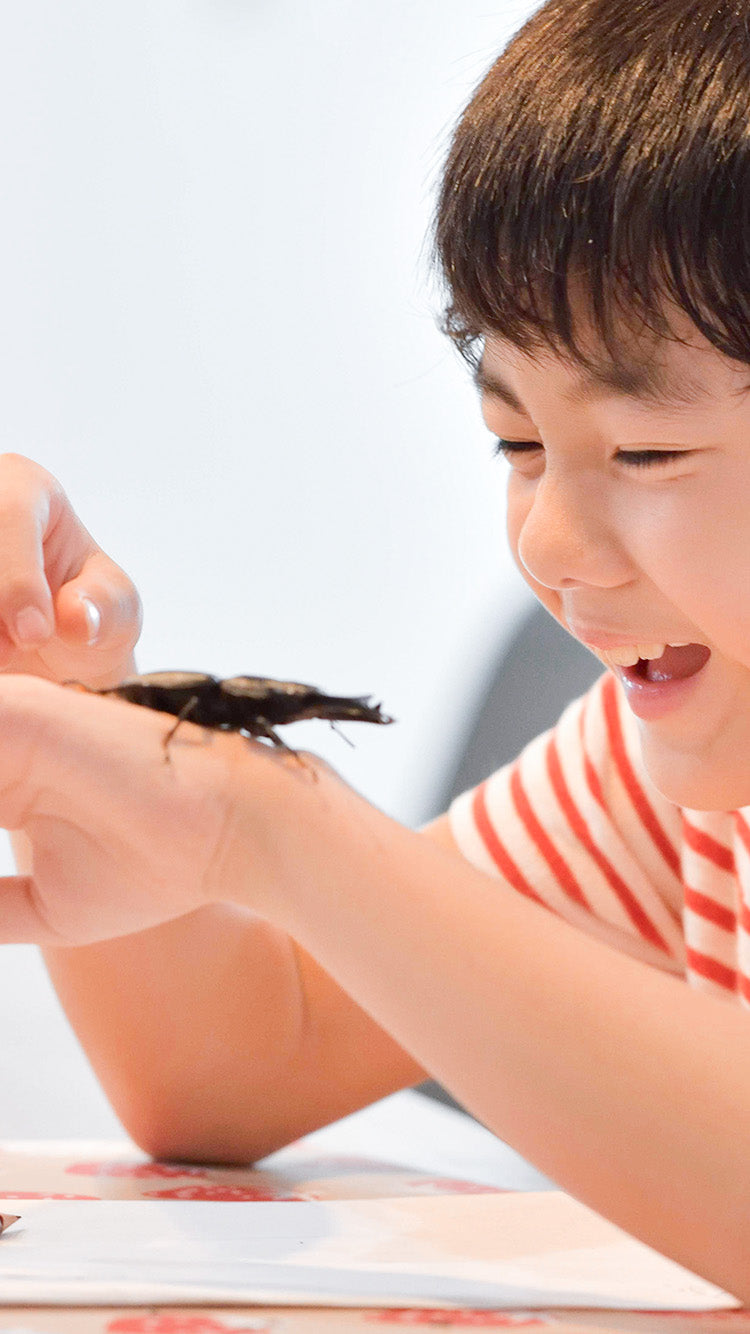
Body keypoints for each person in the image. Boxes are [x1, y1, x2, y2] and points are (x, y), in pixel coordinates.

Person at [0, 0, 748, 1300]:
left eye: (643, 450)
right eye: (516, 443)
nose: (552, 545)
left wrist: (276, 828)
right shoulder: (667, 768)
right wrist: (79, 702)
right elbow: (234, 1067)